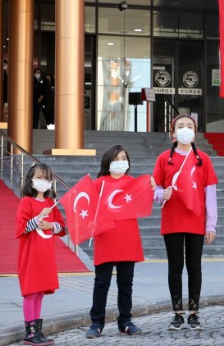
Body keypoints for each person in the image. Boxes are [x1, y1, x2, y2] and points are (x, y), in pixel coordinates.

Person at [152, 115, 218, 331]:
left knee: (194, 268)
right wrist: (163, 194)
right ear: (173, 133)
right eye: (180, 126)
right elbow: (155, 192)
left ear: (195, 132)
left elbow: (210, 194)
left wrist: (211, 225)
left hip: (196, 220)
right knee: (175, 268)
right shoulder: (164, 159)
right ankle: (177, 313)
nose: (185, 129)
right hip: (172, 220)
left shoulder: (203, 160)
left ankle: (194, 312)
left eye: (189, 126)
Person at [86, 144, 144, 338]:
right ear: (107, 162)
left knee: (126, 283)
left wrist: (152, 187)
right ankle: (96, 323)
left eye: (123, 158)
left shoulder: (133, 183)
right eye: (116, 159)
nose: (120, 162)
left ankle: (125, 321)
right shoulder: (98, 184)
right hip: (106, 238)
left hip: (127, 238)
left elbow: (147, 200)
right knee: (101, 283)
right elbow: (85, 209)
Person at [15, 163, 65, 345]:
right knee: (30, 292)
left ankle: (37, 329)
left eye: (46, 178)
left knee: (39, 293)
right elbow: (21, 228)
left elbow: (61, 228)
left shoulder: (51, 203)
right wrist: (37, 219)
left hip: (46, 256)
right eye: (39, 177)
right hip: (30, 255)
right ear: (30, 180)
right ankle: (29, 332)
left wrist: (51, 225)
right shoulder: (26, 202)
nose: (43, 181)